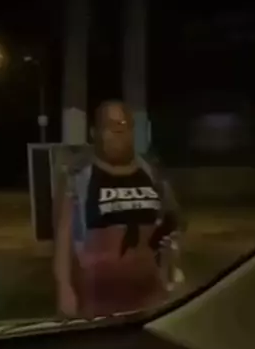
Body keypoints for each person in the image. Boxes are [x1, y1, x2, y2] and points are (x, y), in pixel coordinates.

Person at [54, 100, 184, 319]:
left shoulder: (152, 174)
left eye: (124, 125)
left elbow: (172, 227)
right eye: (110, 125)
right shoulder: (78, 178)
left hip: (150, 301)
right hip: (96, 303)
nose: (118, 131)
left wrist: (173, 270)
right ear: (95, 133)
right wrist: (64, 289)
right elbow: (63, 239)